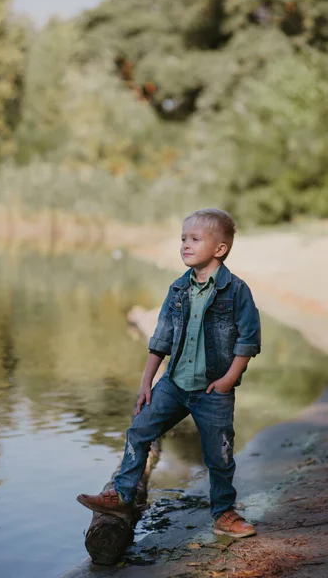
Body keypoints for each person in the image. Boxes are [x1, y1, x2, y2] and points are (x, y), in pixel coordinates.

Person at [77, 208, 261, 538]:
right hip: (173, 384)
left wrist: (229, 380)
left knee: (218, 455)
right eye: (182, 239)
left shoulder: (237, 291)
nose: (185, 244)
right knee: (139, 431)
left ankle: (224, 514)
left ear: (220, 249)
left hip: (212, 391)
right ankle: (121, 496)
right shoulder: (178, 288)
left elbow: (249, 340)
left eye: (194, 239)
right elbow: (160, 338)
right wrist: (146, 381)